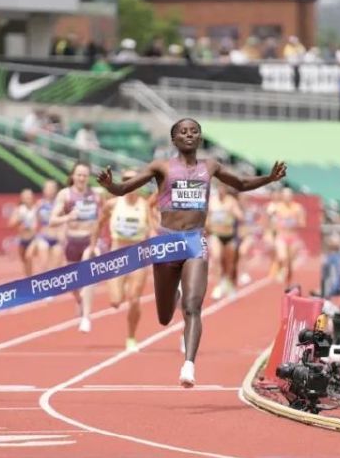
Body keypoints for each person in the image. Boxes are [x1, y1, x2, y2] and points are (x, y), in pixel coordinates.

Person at [96, 118, 287, 387]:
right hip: (166, 243)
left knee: (193, 306)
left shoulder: (210, 166)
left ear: (200, 137)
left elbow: (241, 183)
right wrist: (110, 185)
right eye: (183, 132)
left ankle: (188, 365)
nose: (189, 135)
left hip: (195, 241)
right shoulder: (161, 167)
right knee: (164, 316)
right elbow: (124, 188)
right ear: (173, 139)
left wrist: (269, 178)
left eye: (194, 131)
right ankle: (174, 294)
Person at [97, 169, 157, 351]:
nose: (129, 182)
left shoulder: (145, 205)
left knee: (134, 299)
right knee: (115, 302)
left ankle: (131, 337)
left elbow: (152, 228)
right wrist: (93, 245)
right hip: (116, 255)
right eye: (125, 179)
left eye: (133, 179)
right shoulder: (112, 204)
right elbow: (99, 224)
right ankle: (120, 287)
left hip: (137, 255)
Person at [50, 163, 101, 333]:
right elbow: (52, 220)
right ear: (73, 176)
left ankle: (86, 317)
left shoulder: (95, 195)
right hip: (72, 241)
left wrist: (96, 239)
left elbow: (101, 218)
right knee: (73, 284)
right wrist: (68, 217)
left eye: (85, 175)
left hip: (89, 241)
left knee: (89, 275)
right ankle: (80, 300)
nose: (82, 178)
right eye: (79, 175)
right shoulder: (65, 195)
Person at [206, 184, 243, 300]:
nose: (221, 191)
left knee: (229, 263)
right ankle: (217, 286)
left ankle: (227, 283)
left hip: (229, 236)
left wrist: (232, 212)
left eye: (223, 188)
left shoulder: (231, 202)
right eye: (219, 188)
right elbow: (206, 217)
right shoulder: (212, 201)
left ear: (226, 190)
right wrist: (207, 225)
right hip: (216, 235)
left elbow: (240, 216)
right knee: (216, 257)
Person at [269, 187, 306, 284]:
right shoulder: (277, 207)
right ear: (282, 196)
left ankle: (288, 281)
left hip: (293, 237)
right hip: (281, 236)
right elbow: (272, 222)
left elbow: (302, 223)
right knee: (282, 257)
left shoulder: (297, 207)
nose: (287, 198)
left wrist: (295, 220)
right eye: (285, 196)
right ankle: (281, 271)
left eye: (289, 196)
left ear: (292, 196)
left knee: (289, 263)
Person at [30, 179, 64, 273]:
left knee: (55, 269)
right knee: (43, 266)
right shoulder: (40, 204)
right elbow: (34, 223)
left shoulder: (60, 204)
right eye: (47, 188)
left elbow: (65, 222)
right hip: (44, 237)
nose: (49, 190)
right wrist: (34, 239)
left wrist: (63, 234)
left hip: (57, 238)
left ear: (56, 189)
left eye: (51, 188)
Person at [7, 189, 39, 277]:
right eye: (26, 197)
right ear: (22, 199)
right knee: (24, 261)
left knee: (28, 257)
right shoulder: (19, 210)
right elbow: (10, 224)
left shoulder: (36, 209)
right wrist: (18, 220)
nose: (28, 199)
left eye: (29, 197)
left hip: (33, 238)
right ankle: (28, 278)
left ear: (32, 197)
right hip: (22, 240)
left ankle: (31, 279)